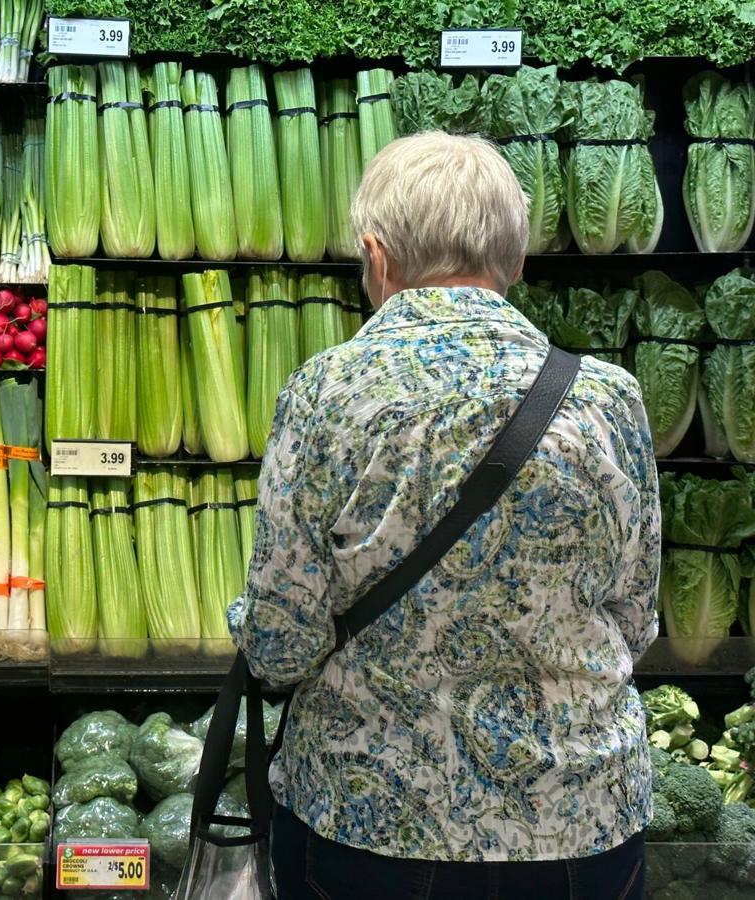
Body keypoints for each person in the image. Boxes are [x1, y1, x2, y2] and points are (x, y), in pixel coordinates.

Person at [227, 131, 659, 900]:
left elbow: (281, 643)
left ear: (377, 255)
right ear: (516, 262)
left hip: (372, 824)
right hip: (579, 821)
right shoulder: (608, 399)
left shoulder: (327, 393)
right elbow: (630, 619)